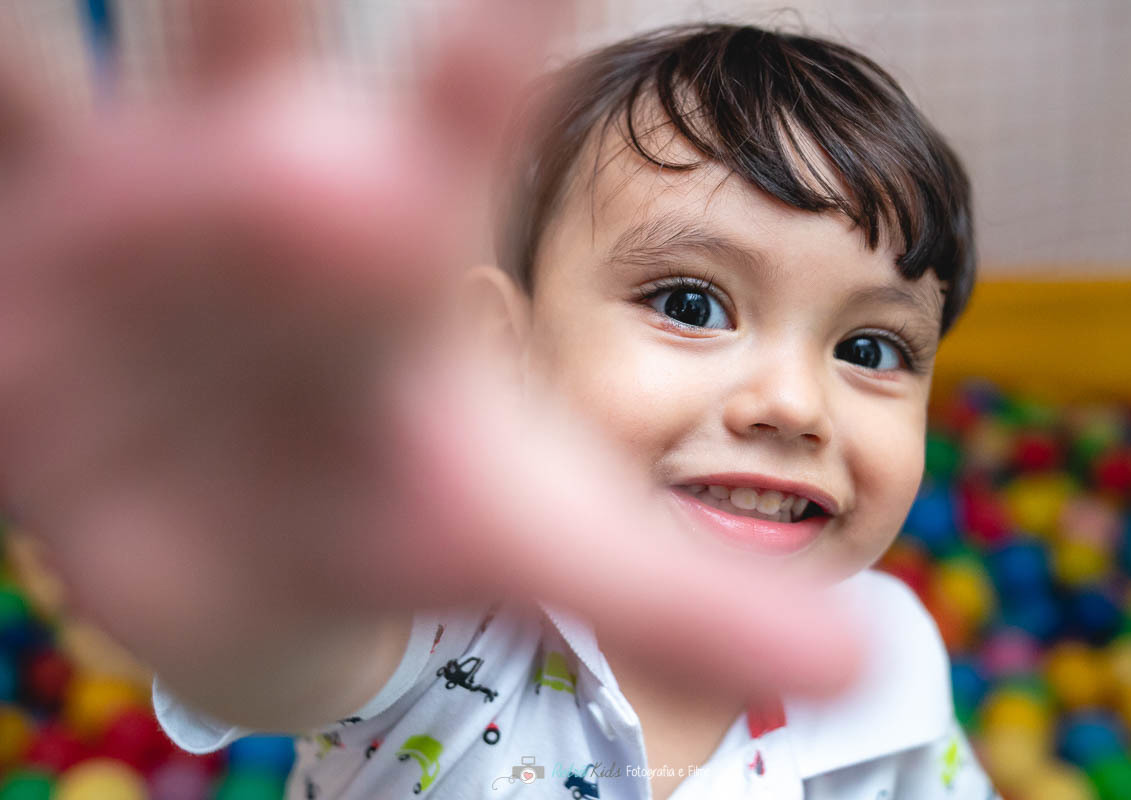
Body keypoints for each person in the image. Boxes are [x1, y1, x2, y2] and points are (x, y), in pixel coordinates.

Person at [0, 2, 995, 798]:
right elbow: (287, 651)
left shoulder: (886, 655)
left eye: (871, 346)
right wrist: (268, 537)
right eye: (691, 303)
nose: (793, 402)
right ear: (502, 349)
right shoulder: (447, 610)